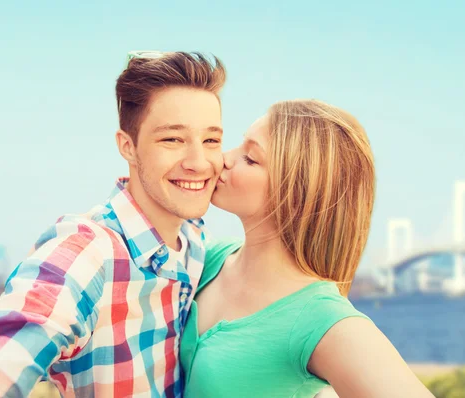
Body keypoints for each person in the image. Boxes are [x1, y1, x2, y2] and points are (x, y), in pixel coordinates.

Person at [0, 51, 226, 397]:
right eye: (173, 139)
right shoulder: (89, 250)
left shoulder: (196, 245)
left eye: (211, 140)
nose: (199, 161)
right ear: (128, 146)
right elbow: (14, 344)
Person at [181, 100, 434, 397]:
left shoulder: (321, 319)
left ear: (298, 193)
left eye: (250, 158)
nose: (223, 158)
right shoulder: (207, 258)